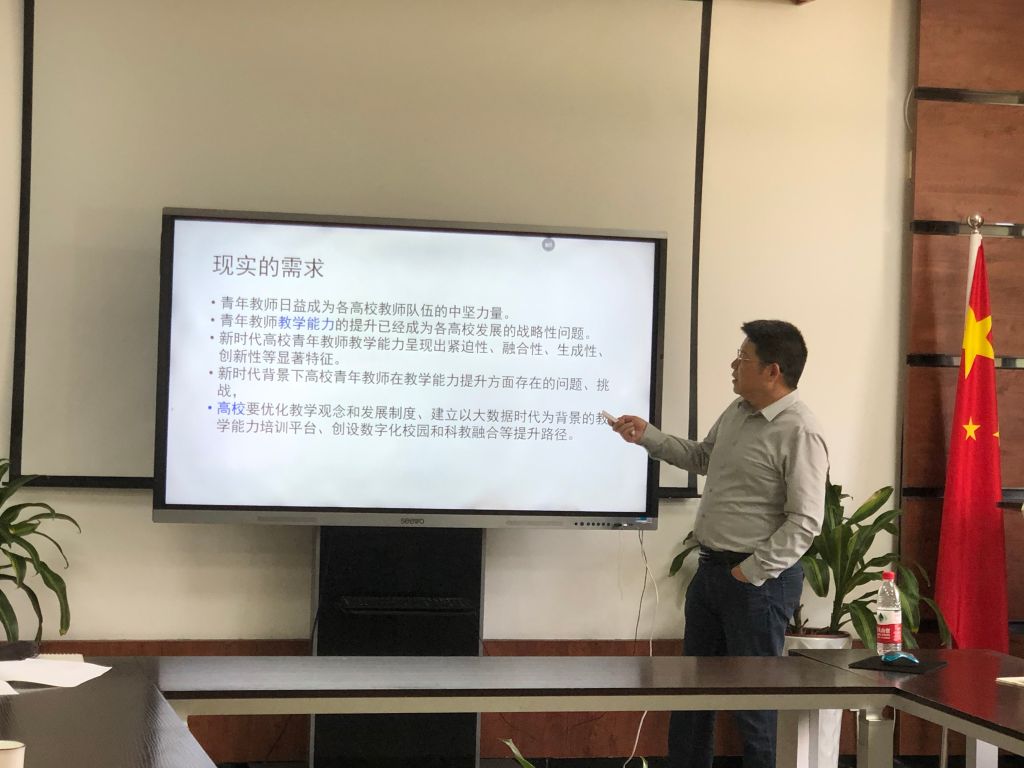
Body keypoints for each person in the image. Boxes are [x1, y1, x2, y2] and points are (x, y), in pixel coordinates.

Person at [608, 319, 828, 768]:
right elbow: (703, 456)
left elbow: (805, 521)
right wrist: (647, 436)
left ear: (772, 371)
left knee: (753, 704)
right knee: (692, 695)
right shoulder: (738, 411)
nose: (733, 365)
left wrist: (749, 572)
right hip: (711, 572)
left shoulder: (800, 430)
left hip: (759, 585)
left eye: (743, 358)